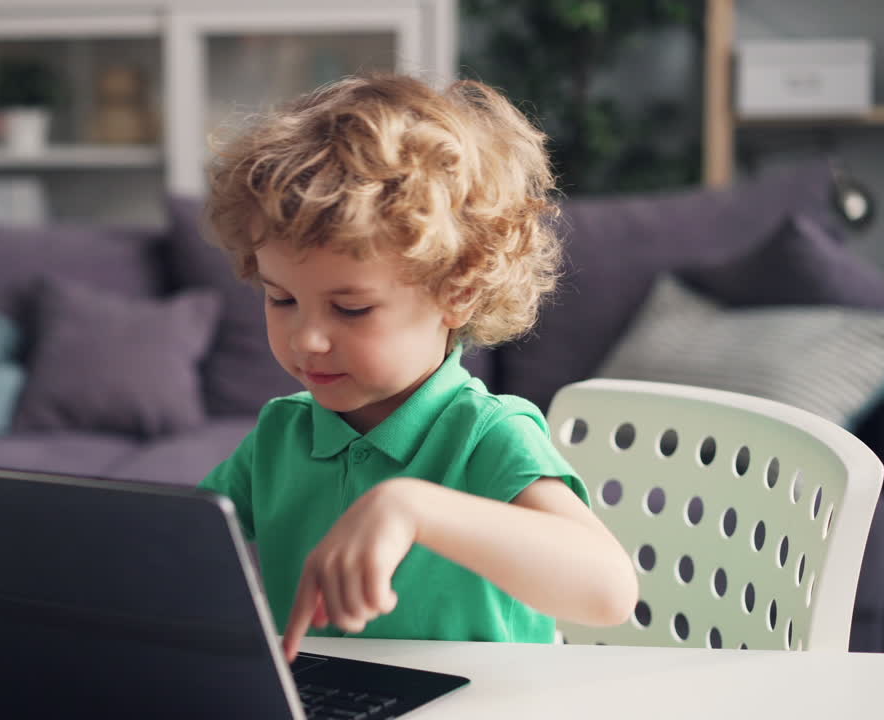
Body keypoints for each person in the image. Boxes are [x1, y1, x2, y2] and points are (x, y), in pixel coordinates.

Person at [198, 73, 638, 662]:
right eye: (281, 299)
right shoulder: (281, 434)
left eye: (350, 308)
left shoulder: (486, 434)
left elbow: (608, 591)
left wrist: (413, 506)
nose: (307, 338)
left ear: (456, 291)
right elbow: (177, 550)